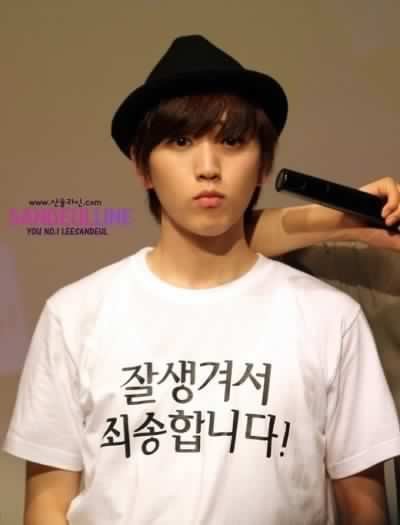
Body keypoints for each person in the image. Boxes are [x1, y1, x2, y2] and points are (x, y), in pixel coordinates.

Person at [3, 34, 400, 525]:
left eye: (232, 142)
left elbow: (364, 508)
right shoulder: (75, 313)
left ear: (264, 164)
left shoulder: (330, 318)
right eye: (180, 142)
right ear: (141, 165)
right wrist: (343, 220)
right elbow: (46, 504)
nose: (208, 168)